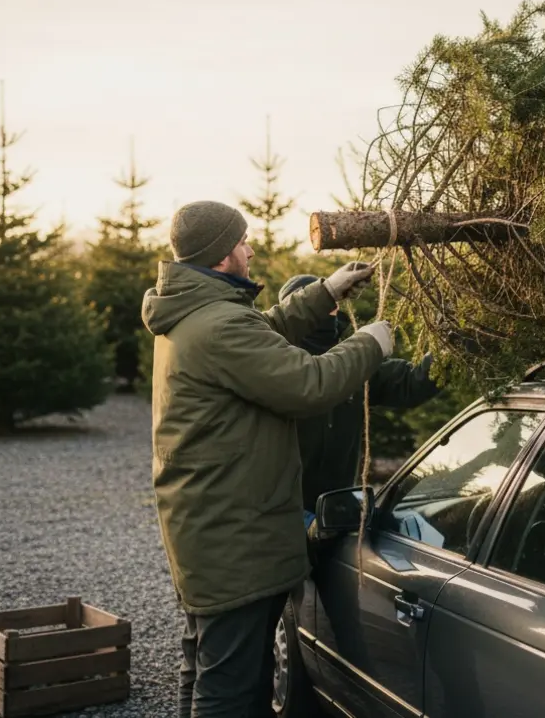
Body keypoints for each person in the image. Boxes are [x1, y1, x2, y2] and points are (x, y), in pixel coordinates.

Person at [141, 200, 393, 718]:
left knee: (206, 668)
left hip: (210, 531)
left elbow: (263, 332)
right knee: (234, 692)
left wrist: (323, 293)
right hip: (235, 540)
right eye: (242, 242)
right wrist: (371, 343)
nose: (250, 249)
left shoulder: (196, 315)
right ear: (219, 256)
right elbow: (309, 383)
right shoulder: (216, 326)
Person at [277, 274, 444, 523]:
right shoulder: (275, 366)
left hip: (338, 512)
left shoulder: (352, 364)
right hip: (283, 516)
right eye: (320, 303)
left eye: (333, 304)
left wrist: (450, 345)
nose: (330, 310)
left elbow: (412, 383)